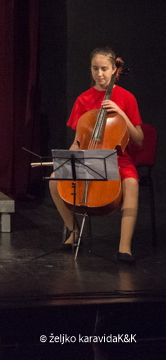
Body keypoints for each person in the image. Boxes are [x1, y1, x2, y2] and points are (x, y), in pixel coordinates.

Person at [56, 48, 142, 262]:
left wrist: (121, 113)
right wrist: (70, 156)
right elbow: (78, 140)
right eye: (95, 68)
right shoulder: (83, 99)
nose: (100, 73)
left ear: (114, 69)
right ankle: (74, 231)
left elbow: (139, 139)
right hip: (87, 157)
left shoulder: (127, 98)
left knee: (131, 184)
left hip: (118, 158)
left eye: (104, 68)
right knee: (55, 180)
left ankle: (124, 247)